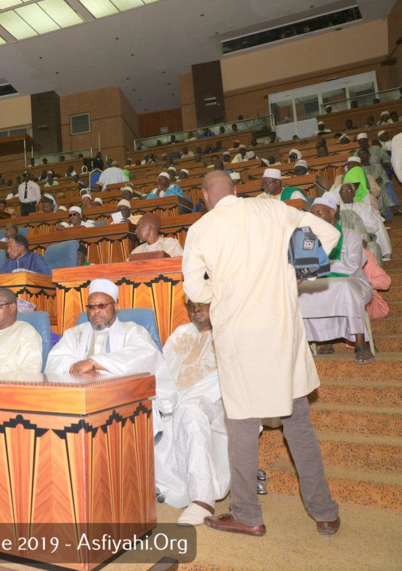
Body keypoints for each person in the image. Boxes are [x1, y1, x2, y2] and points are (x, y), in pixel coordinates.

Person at [182, 171, 341, 537]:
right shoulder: (273, 209)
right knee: (298, 422)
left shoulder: (202, 229)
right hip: (282, 333)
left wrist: (219, 285)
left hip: (239, 339)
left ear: (205, 196)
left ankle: (247, 514)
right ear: (236, 191)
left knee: (241, 425)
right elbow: (327, 234)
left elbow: (196, 291)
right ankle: (325, 512)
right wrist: (298, 271)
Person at [44, 277, 176, 422]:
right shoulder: (76, 333)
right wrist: (76, 368)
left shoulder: (132, 330)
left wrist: (93, 363)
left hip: (123, 403)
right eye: (92, 307)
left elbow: (142, 356)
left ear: (116, 306)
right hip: (78, 402)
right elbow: (55, 359)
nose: (96, 312)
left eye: (102, 306)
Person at [154, 300, 230, 526]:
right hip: (175, 398)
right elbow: (161, 370)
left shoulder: (227, 332)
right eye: (191, 308)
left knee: (191, 410)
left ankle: (202, 499)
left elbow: (228, 377)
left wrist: (185, 398)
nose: (195, 313)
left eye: (202, 307)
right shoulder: (180, 333)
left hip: (216, 400)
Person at [297, 195, 374, 364]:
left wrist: (317, 266)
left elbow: (352, 266)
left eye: (319, 213)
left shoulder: (351, 236)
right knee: (298, 292)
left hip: (354, 282)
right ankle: (306, 344)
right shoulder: (308, 239)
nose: (315, 218)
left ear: (332, 211)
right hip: (320, 283)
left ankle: (361, 344)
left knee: (344, 288)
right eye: (313, 215)